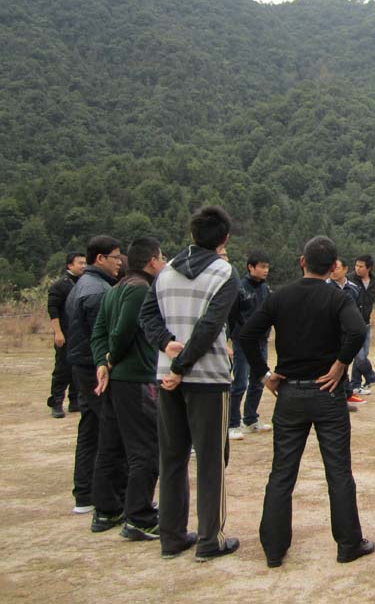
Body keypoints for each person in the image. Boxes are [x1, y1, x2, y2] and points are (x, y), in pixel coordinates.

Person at [239, 236, 374, 568]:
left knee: (282, 472)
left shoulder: (279, 296)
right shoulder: (337, 297)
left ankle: (273, 549)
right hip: (328, 393)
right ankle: (348, 544)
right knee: (338, 471)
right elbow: (357, 331)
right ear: (333, 267)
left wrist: (264, 375)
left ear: (302, 261)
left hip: (290, 393)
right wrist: (340, 364)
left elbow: (246, 334)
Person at [139, 206, 241, 561]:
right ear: (225, 238)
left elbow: (146, 315)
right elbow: (210, 326)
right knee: (211, 461)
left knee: (172, 457)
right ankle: (210, 540)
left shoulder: (165, 271)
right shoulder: (224, 273)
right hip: (208, 378)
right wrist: (182, 365)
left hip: (167, 377)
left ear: (192, 234)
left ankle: (171, 537)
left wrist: (166, 344)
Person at [89, 237, 166, 540]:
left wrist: (103, 362)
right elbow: (122, 332)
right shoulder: (139, 290)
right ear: (152, 261)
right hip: (135, 380)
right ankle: (140, 517)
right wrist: (109, 360)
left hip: (116, 380)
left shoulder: (115, 289)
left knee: (112, 446)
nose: (164, 263)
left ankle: (107, 509)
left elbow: (98, 332)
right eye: (161, 258)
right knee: (146, 449)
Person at [65, 235, 125, 515]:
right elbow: (104, 336)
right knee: (110, 431)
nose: (119, 263)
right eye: (115, 257)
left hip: (82, 365)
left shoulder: (81, 285)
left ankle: (84, 493)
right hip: (95, 368)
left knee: (89, 429)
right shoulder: (99, 291)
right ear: (100, 258)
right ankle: (111, 498)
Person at [229, 250, 271, 441]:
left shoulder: (265, 289)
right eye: (262, 267)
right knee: (239, 383)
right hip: (243, 342)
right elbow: (232, 315)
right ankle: (232, 423)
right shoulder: (239, 288)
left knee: (259, 381)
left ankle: (251, 419)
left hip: (261, 341)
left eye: (267, 267)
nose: (265, 270)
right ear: (250, 267)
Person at [46, 251, 85, 418]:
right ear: (70, 265)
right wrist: (58, 332)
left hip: (80, 335)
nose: (83, 266)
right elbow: (53, 310)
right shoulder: (60, 285)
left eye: (85, 263)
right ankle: (56, 401)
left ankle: (74, 401)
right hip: (65, 333)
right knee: (63, 368)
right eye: (80, 263)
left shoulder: (85, 283)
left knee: (78, 368)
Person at [331, 258, 367, 406]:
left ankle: (346, 393)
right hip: (332, 332)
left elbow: (357, 310)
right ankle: (343, 394)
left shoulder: (354, 288)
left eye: (337, 267)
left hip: (348, 332)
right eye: (332, 267)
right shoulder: (326, 287)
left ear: (345, 269)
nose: (333, 270)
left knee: (345, 363)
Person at [347, 254, 375, 395]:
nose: (357, 268)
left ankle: (355, 384)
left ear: (369, 268)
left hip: (366, 322)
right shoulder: (350, 279)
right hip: (353, 323)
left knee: (364, 354)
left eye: (361, 266)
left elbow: (370, 301)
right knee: (359, 355)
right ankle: (371, 377)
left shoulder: (374, 281)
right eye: (356, 265)